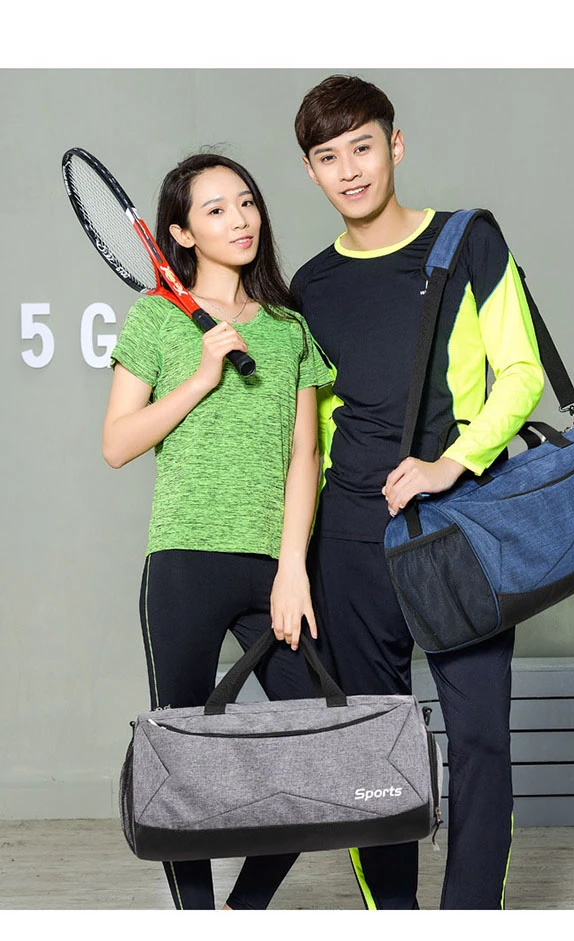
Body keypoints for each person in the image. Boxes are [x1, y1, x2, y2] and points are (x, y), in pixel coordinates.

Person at [290, 75, 545, 910]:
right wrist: (295, 558)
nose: (350, 170)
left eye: (363, 147)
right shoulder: (311, 285)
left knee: (479, 739)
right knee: (374, 742)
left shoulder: (468, 240)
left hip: (458, 527)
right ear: (311, 171)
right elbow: (310, 432)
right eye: (329, 157)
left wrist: (453, 462)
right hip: (351, 539)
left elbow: (522, 371)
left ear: (394, 145)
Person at [104, 151, 334, 910]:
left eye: (246, 202)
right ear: (180, 233)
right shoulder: (156, 319)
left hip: (272, 570)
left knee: (321, 747)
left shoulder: (289, 329)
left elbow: (305, 456)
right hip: (182, 566)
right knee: (182, 762)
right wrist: (201, 376)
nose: (239, 220)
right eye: (215, 209)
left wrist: (292, 566)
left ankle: (241, 913)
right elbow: (117, 443)